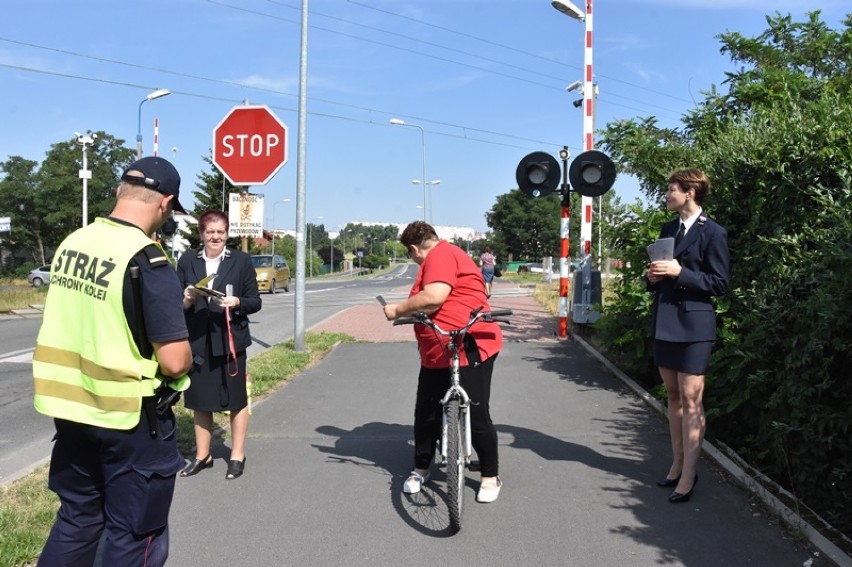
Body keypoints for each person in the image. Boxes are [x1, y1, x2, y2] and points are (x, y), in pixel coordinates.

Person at [32, 156, 192, 566]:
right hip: (129, 421)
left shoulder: (74, 243)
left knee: (77, 521)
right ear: (166, 203)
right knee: (136, 533)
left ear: (122, 191)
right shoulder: (147, 260)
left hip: (70, 412)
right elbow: (174, 362)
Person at [383, 221, 505, 503]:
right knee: (426, 409)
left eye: (412, 257)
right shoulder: (450, 256)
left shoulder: (439, 255)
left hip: (469, 343)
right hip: (440, 348)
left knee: (475, 409)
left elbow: (434, 297)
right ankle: (421, 468)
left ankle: (489, 475)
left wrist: (397, 310)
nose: (414, 262)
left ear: (414, 249)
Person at [646, 168, 729, 504]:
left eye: (671, 189)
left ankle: (690, 475)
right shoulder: (668, 229)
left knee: (692, 400)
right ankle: (678, 463)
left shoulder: (714, 233)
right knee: (673, 397)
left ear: (690, 192)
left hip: (695, 327)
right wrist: (651, 277)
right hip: (665, 323)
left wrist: (681, 272)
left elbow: (719, 283)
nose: (666, 195)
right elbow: (658, 275)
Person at [176, 209, 261, 480]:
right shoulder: (187, 261)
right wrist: (188, 298)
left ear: (227, 233)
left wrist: (237, 302)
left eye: (220, 232)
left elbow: (255, 301)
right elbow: (176, 304)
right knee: (200, 401)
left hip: (230, 341)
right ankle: (203, 455)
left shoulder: (241, 261)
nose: (216, 237)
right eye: (210, 232)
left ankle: (237, 454)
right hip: (198, 340)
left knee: (235, 400)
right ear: (202, 234)